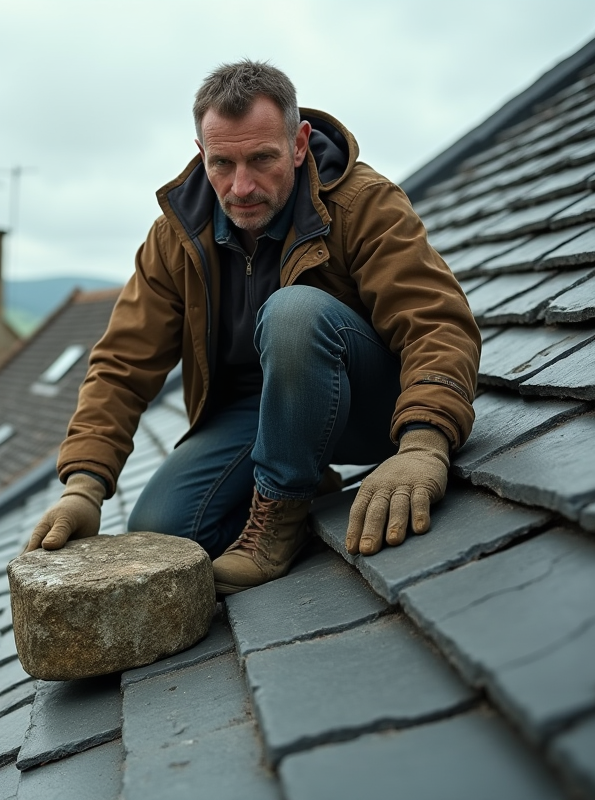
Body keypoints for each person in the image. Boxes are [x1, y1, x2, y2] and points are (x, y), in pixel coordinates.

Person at [24, 60, 480, 595]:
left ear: (298, 144)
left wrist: (425, 442)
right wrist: (84, 486)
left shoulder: (363, 203)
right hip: (259, 411)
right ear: (202, 153)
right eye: (222, 163)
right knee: (164, 535)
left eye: (262, 158)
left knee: (294, 313)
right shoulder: (175, 237)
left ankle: (278, 520)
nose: (241, 186)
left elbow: (436, 322)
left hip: (367, 401)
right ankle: (307, 487)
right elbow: (122, 364)